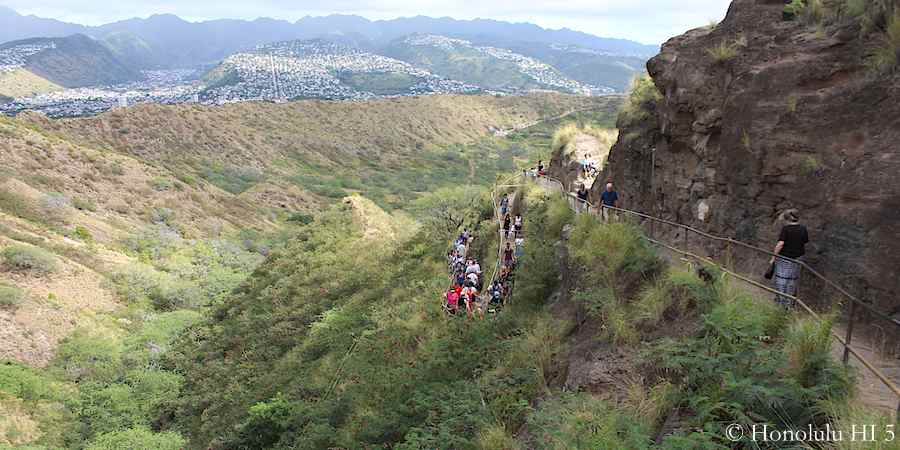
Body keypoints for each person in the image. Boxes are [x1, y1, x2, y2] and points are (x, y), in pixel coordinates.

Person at [770, 209, 809, 309]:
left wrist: (773, 257)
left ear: (787, 219)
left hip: (784, 258)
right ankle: (789, 304)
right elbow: (804, 241)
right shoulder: (803, 228)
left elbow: (781, 243)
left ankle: (780, 304)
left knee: (781, 280)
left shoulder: (786, 229)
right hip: (798, 258)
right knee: (792, 281)